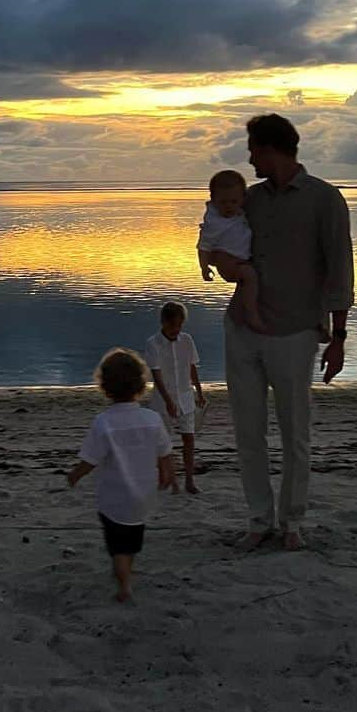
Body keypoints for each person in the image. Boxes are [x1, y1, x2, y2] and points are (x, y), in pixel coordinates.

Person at [225, 114, 354, 554]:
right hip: (243, 327)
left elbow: (340, 268)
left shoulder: (324, 199)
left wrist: (338, 336)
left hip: (296, 330)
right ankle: (259, 519)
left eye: (252, 149)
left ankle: (292, 520)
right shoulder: (251, 200)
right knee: (248, 431)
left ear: (270, 149)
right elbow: (225, 243)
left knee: (295, 431)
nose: (248, 158)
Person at [67, 348, 175, 602]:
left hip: (113, 499)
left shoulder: (103, 423)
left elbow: (90, 460)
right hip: (143, 497)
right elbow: (166, 452)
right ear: (140, 384)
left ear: (105, 386)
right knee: (132, 539)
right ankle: (127, 568)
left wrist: (74, 476)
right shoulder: (152, 419)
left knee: (117, 546)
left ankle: (124, 584)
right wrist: (168, 474)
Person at [145, 301, 205, 495]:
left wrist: (199, 392)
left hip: (186, 397)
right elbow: (157, 376)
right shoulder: (153, 344)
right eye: (172, 326)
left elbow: (191, 367)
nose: (176, 330)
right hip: (164, 400)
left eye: (179, 325)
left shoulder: (186, 340)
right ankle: (171, 480)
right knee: (165, 442)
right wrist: (168, 401)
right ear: (163, 322)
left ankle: (189, 480)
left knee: (189, 439)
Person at [197, 168, 266, 331]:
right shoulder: (214, 222)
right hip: (230, 263)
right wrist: (204, 267)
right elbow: (204, 246)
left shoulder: (239, 214)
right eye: (223, 202)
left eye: (233, 202)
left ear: (242, 199)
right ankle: (251, 314)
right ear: (213, 200)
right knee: (249, 276)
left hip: (242, 259)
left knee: (254, 275)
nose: (228, 206)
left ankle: (250, 308)